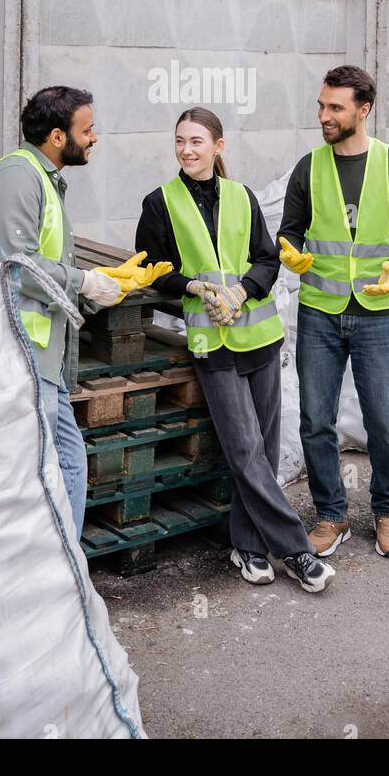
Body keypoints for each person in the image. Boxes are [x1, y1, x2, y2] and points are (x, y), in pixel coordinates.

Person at [135, 107, 335, 594]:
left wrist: (244, 291)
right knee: (244, 450)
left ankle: (245, 546)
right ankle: (297, 551)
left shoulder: (242, 197)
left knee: (263, 450)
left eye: (197, 141)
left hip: (260, 338)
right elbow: (152, 268)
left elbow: (268, 260)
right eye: (180, 140)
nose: (187, 149)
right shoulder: (160, 203)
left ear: (218, 146)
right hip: (213, 345)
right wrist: (195, 289)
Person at [0, 86, 169, 539]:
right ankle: (55, 569)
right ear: (58, 136)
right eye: (87, 130)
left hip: (40, 352)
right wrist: (85, 282)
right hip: (16, 348)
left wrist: (104, 287)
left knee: (66, 459)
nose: (94, 137)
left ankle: (62, 564)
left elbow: (49, 265)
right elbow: (19, 265)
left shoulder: (43, 178)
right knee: (49, 462)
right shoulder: (19, 177)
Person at [277, 65, 389, 561]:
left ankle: (388, 512)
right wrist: (291, 252)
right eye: (321, 105)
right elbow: (292, 230)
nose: (324, 115)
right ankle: (331, 515)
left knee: (385, 421)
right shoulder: (309, 167)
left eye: (335, 107)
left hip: (378, 314)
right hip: (319, 312)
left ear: (363, 110)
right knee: (315, 420)